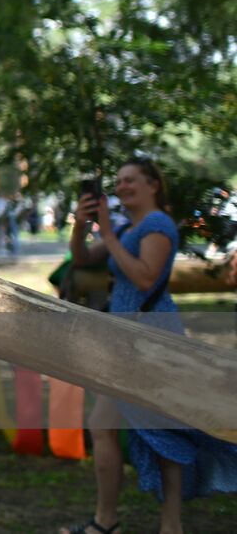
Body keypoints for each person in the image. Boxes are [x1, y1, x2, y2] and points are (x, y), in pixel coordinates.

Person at [61, 158, 237, 534]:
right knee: (125, 425)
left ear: (153, 185)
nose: (122, 187)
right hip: (127, 338)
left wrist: (107, 233)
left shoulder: (157, 225)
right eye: (119, 182)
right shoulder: (129, 227)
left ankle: (148, 524)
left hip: (153, 338)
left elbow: (145, 279)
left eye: (131, 181)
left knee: (154, 427)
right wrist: (81, 226)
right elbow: (82, 261)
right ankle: (115, 521)